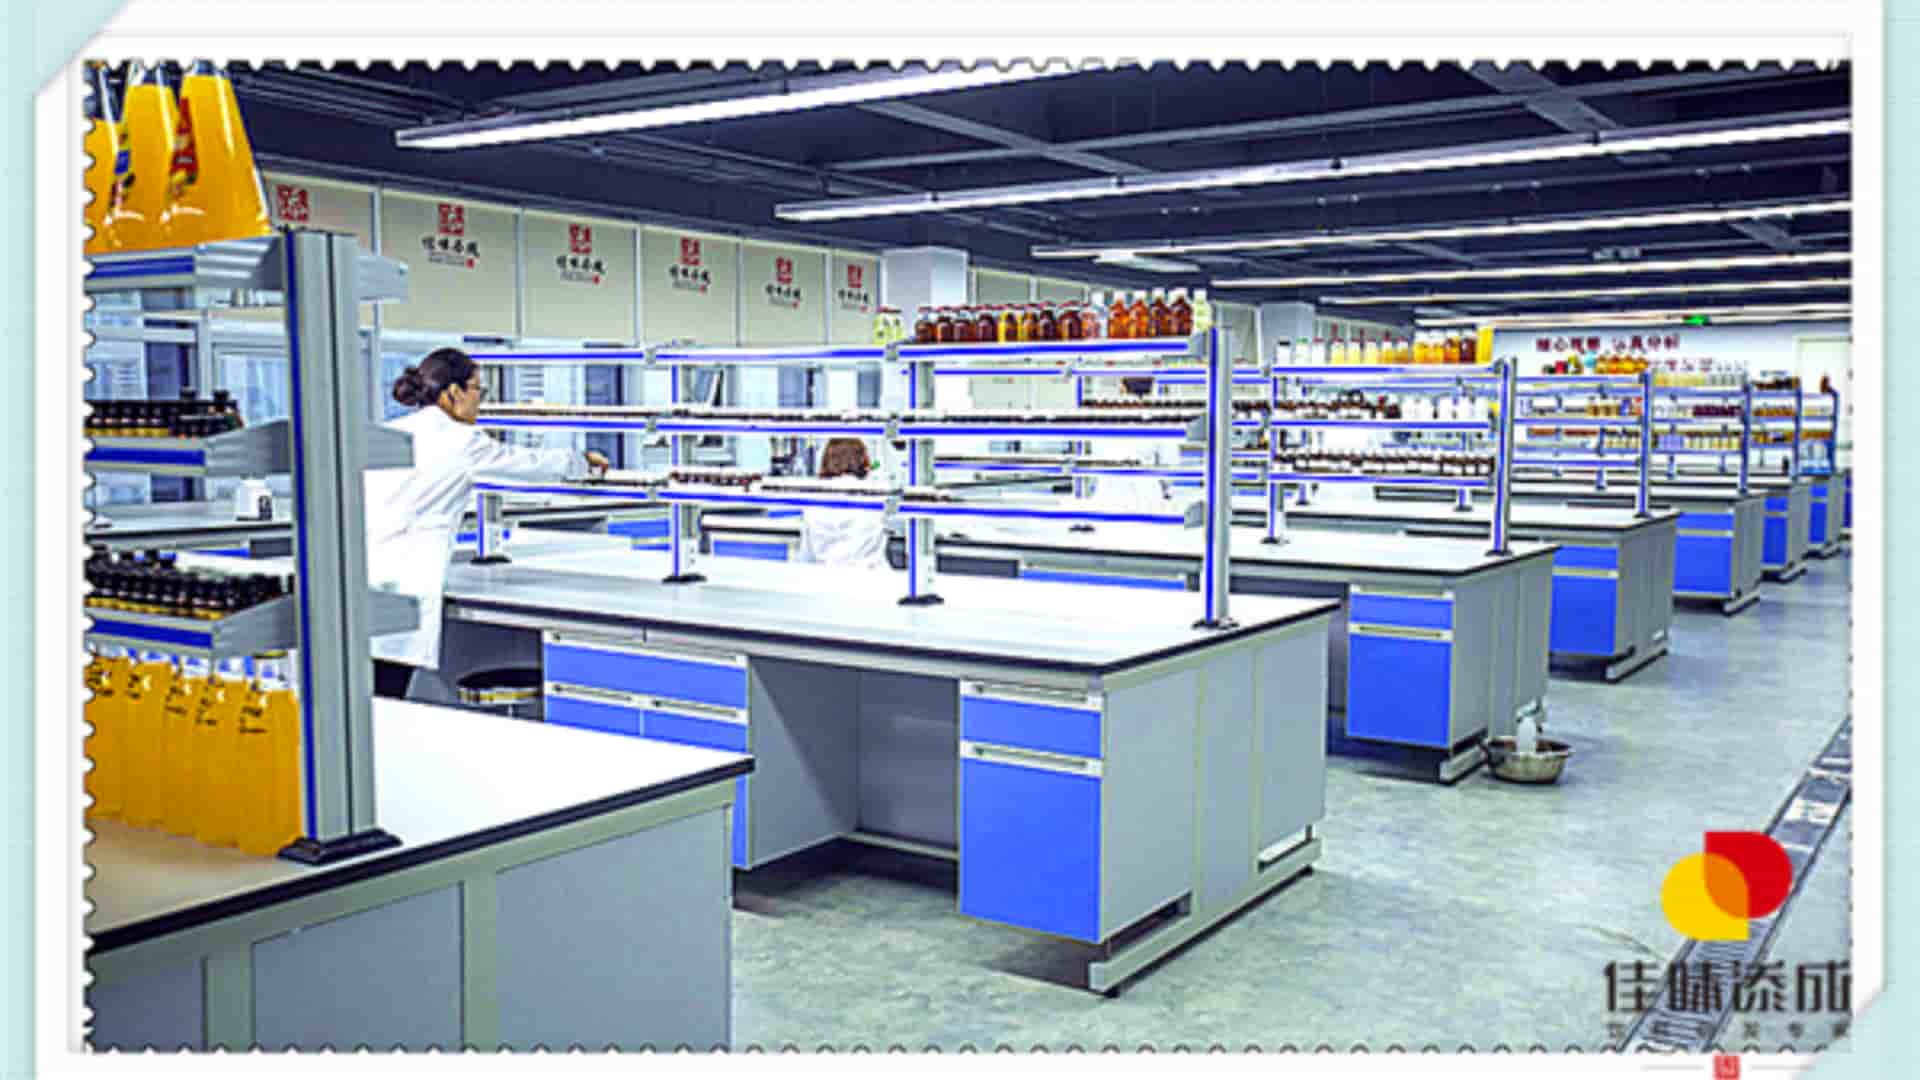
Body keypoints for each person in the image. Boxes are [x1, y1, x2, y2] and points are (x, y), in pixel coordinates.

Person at [364, 347, 607, 698]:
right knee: (385, 697)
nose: (481, 400)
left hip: (366, 576)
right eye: (478, 389)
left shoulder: (392, 432)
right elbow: (524, 463)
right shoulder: (461, 441)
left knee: (366, 699)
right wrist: (581, 462)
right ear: (453, 392)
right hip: (406, 582)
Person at [794, 438, 888, 569]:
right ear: (862, 460)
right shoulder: (875, 492)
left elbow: (806, 555)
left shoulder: (814, 497)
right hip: (870, 576)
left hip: (826, 576)